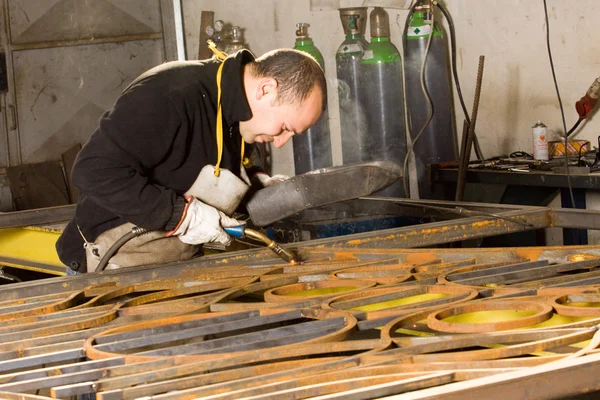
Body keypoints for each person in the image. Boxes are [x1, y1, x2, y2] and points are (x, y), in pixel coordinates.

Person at [56, 48, 327, 274]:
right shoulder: (171, 95)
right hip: (109, 266)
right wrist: (181, 216)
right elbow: (92, 170)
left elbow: (201, 162)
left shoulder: (235, 112)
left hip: (172, 266)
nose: (281, 141)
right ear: (266, 89)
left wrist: (258, 185)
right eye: (285, 127)